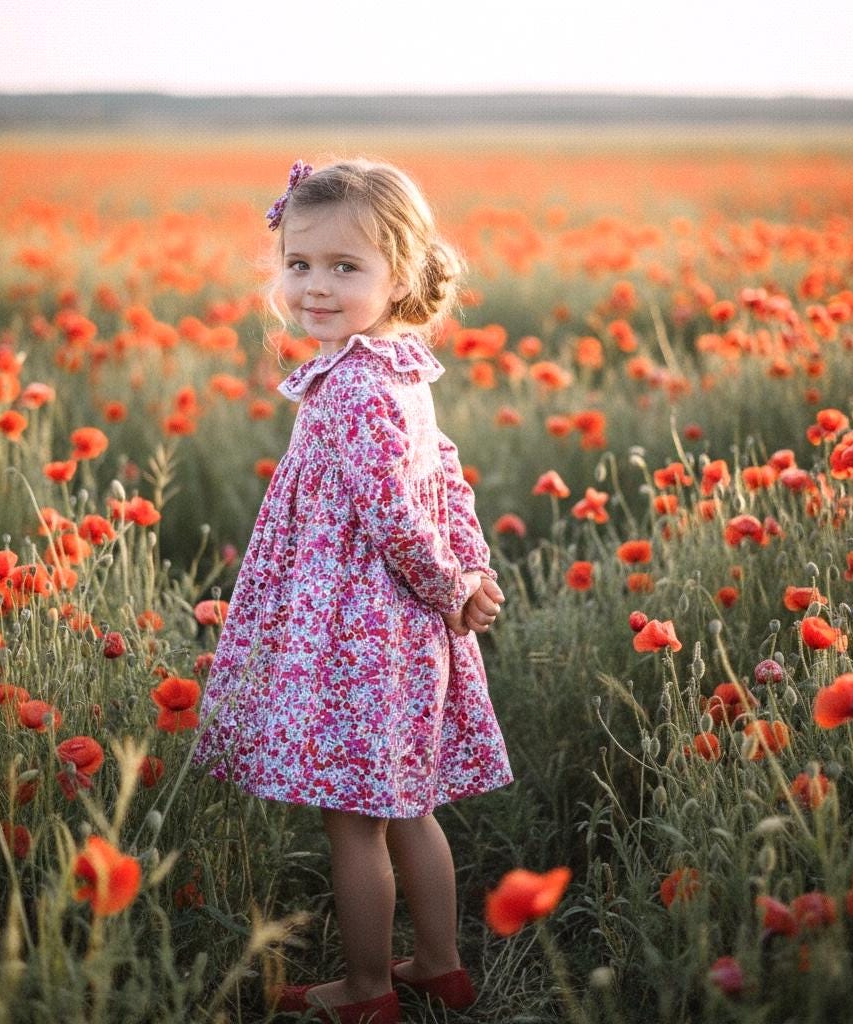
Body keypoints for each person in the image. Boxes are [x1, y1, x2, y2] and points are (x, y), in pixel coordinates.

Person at [192, 158, 514, 1024]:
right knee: (408, 804)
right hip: (402, 626)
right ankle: (440, 964)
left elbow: (394, 515)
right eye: (300, 264)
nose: (315, 287)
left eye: (345, 267)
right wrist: (469, 572)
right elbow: (444, 477)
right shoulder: (399, 367)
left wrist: (453, 582)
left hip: (358, 636)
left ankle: (368, 989)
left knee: (354, 820)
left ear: (399, 275)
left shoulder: (353, 389)